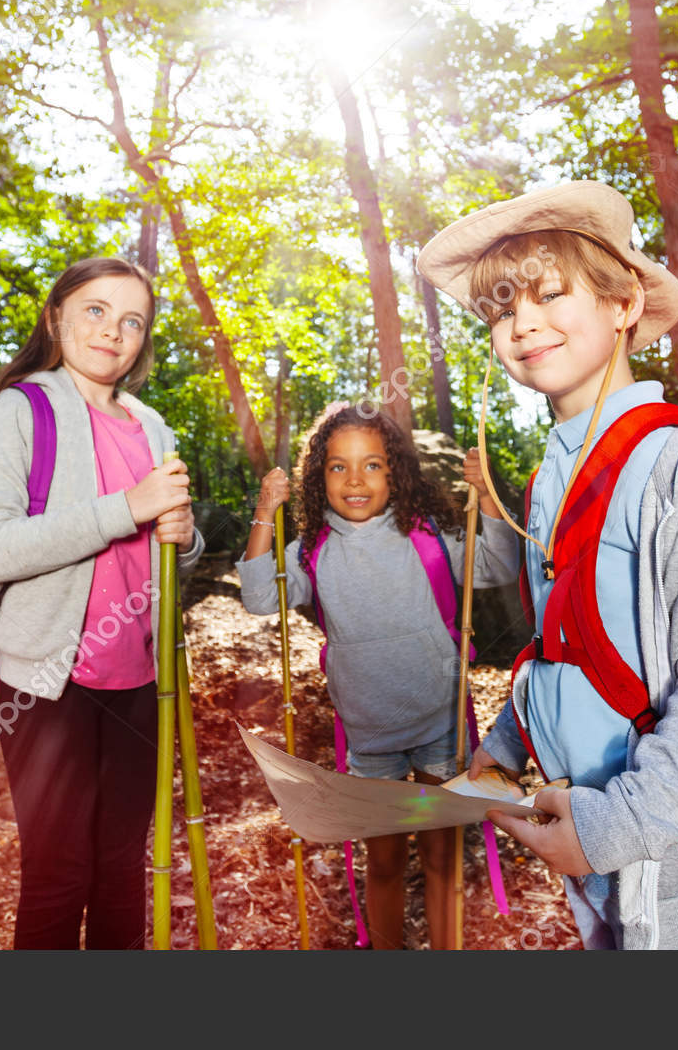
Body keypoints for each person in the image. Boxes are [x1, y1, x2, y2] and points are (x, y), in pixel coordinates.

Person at [415, 181, 678, 949]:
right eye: (501, 307)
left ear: (625, 302)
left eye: (550, 293)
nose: (522, 320)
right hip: (594, 854)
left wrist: (618, 823)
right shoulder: (546, 480)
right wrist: (504, 748)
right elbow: (564, 649)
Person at [0, 256, 203, 949]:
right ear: (56, 316)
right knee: (58, 874)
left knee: (121, 870)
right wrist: (128, 507)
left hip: (141, 681)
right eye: (95, 309)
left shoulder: (153, 427)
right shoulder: (23, 408)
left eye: (132, 320)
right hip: (45, 683)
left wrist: (186, 535)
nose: (113, 331)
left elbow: (169, 552)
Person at [238, 404, 518, 949]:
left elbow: (499, 565)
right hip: (369, 736)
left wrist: (485, 494)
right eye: (338, 467)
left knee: (442, 859)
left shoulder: (428, 537)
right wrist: (264, 511)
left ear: (395, 471)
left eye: (372, 464)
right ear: (319, 478)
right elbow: (256, 597)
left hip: (440, 719)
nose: (356, 480)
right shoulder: (314, 551)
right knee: (384, 864)